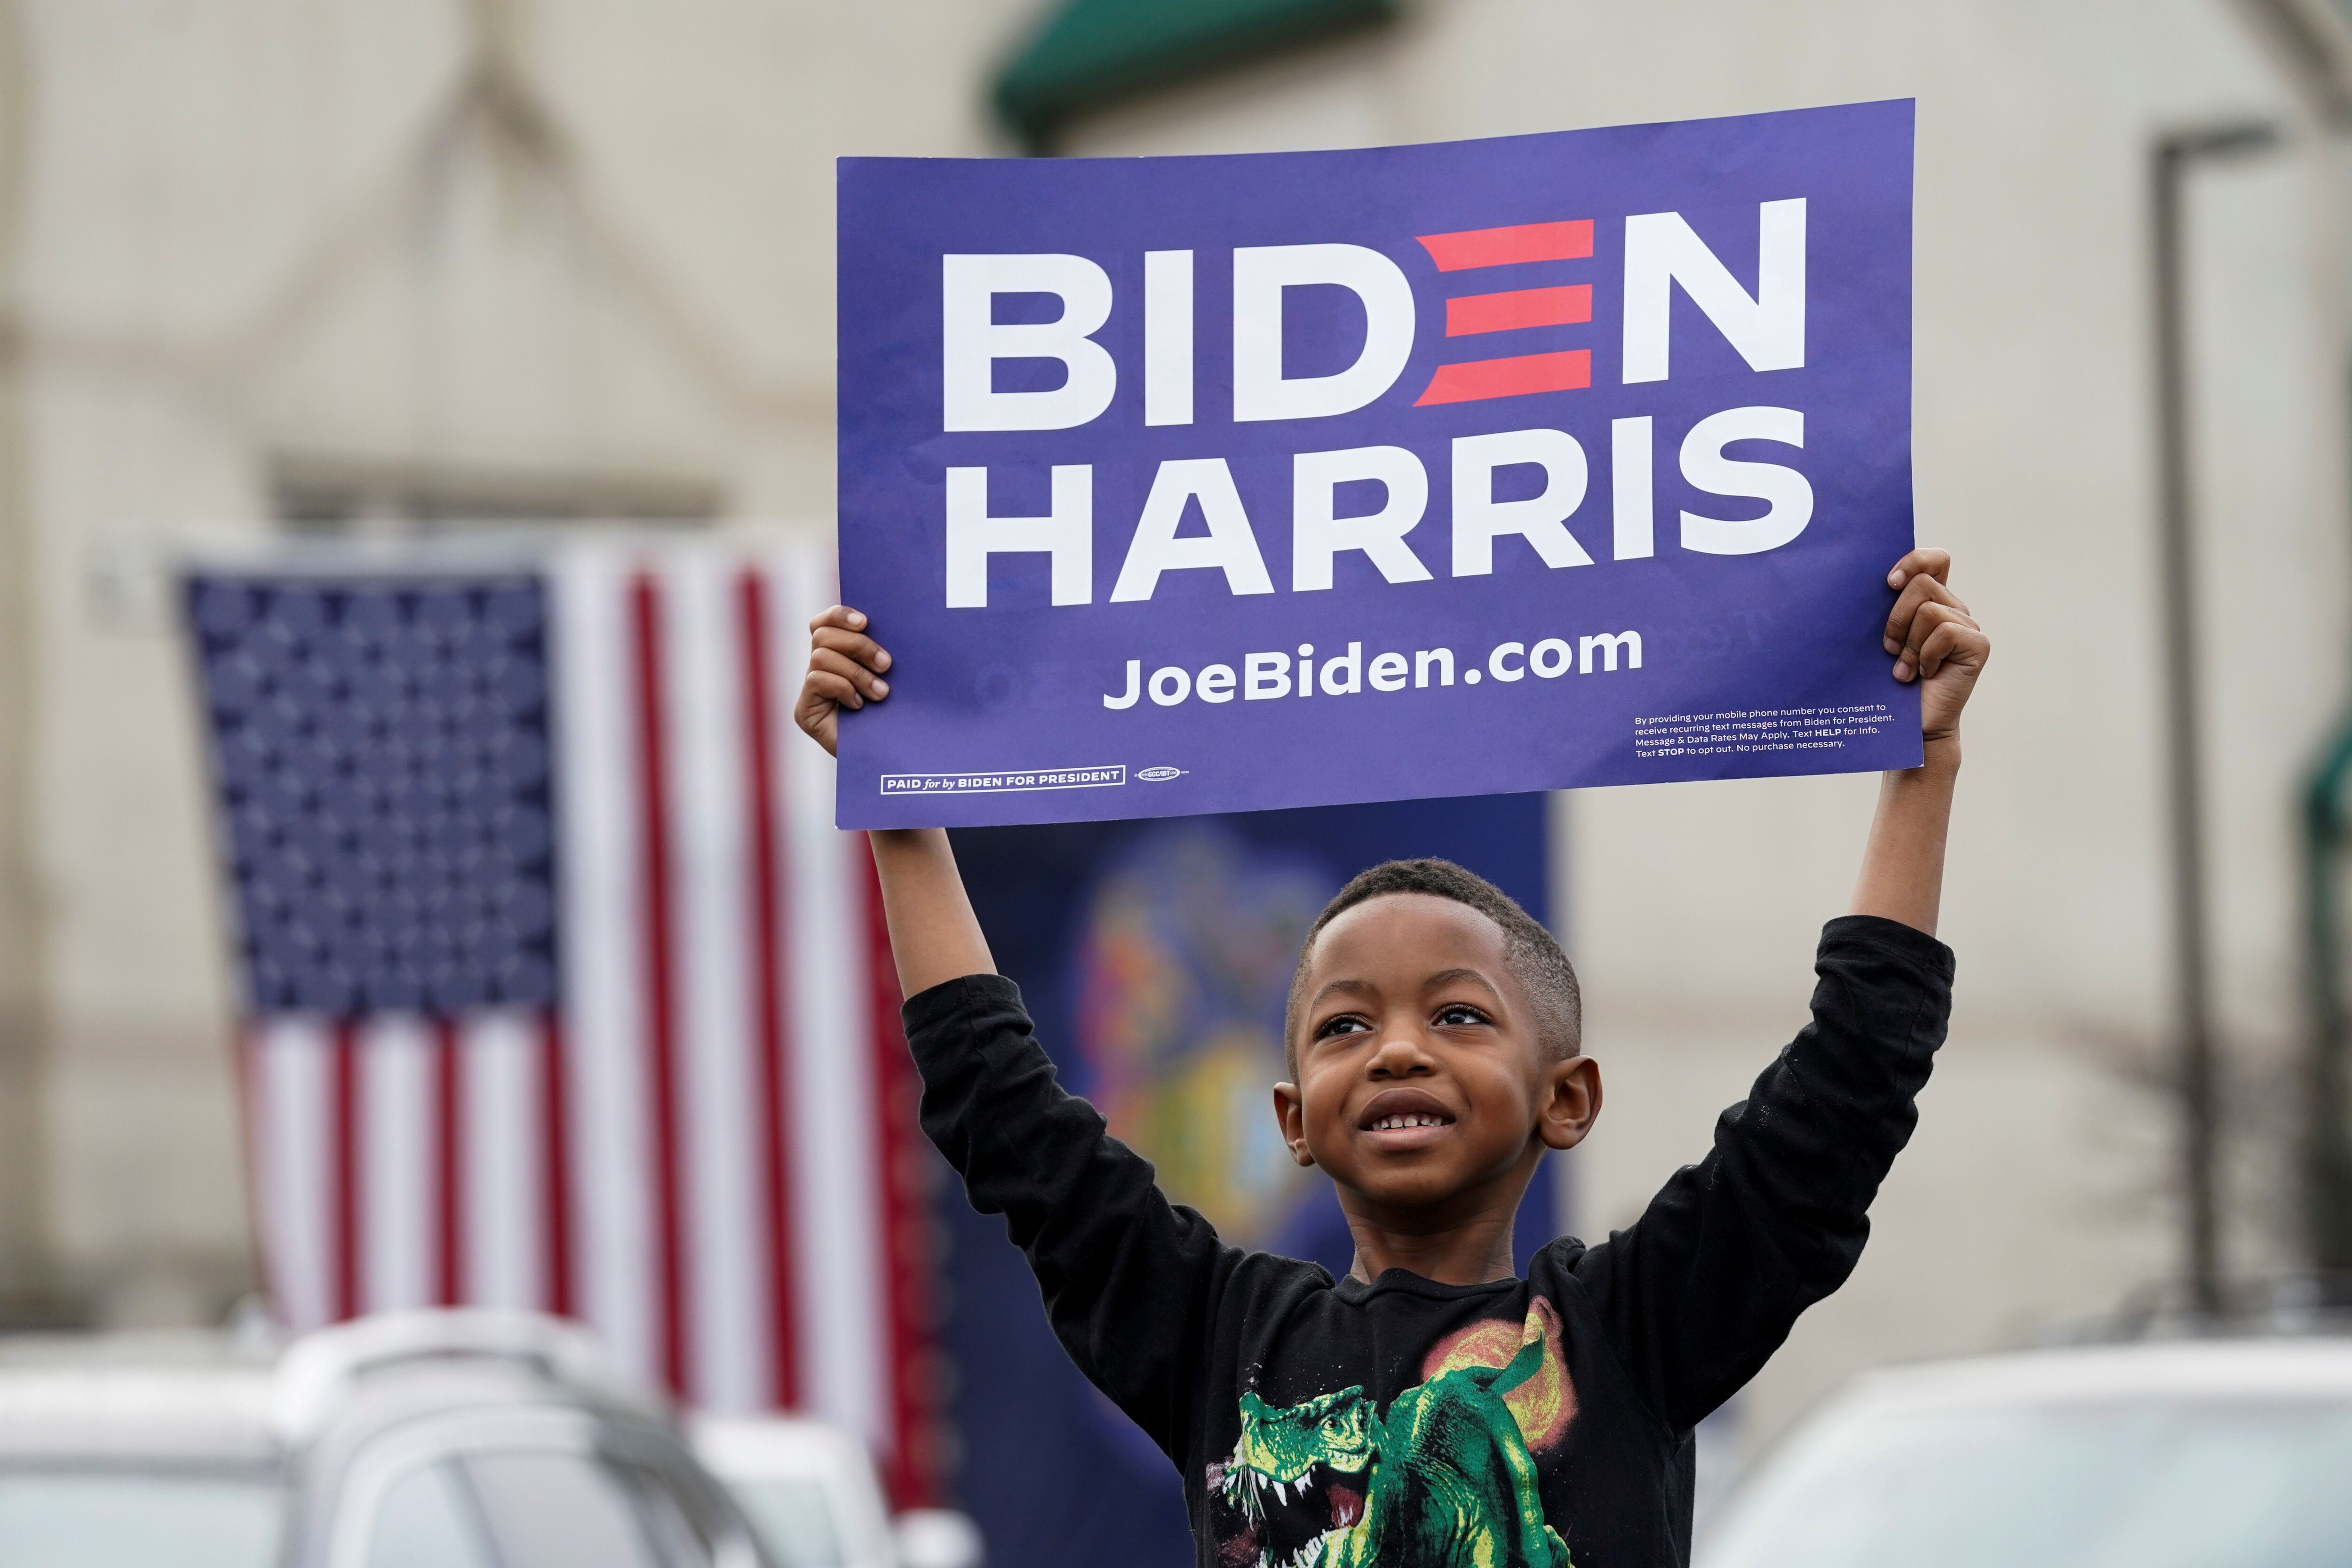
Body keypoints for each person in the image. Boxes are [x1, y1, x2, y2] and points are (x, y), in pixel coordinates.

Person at [794, 549, 1988, 1568]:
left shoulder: (1635, 1325)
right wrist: (902, 804)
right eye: (1343, 1024)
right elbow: (1004, 1110)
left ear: (1564, 1098)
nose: (1399, 1048)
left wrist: (1920, 762)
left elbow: (1845, 1086)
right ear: (1294, 1116)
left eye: (1459, 1016)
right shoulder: (1216, 1330)